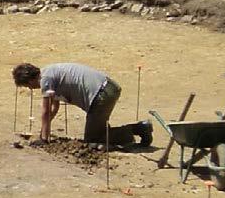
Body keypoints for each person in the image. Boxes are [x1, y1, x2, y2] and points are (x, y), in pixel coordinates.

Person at [12, 62, 152, 146]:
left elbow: (46, 111)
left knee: (93, 139)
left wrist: (43, 139)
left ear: (30, 80)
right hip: (107, 89)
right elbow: (54, 107)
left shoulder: (45, 79)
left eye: (27, 86)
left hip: (101, 94)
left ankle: (139, 129)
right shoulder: (49, 73)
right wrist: (44, 131)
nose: (30, 89)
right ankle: (135, 130)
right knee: (97, 132)